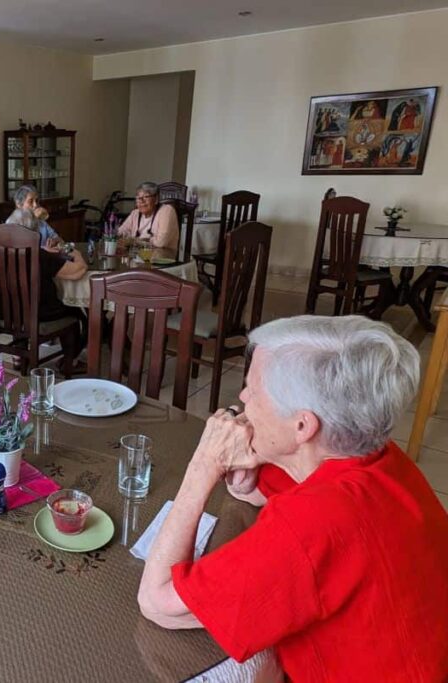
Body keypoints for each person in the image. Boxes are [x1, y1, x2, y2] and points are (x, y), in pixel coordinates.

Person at [137, 315, 448, 682]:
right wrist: (247, 475)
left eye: (253, 389)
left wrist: (205, 464)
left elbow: (158, 602)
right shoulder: (379, 458)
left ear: (302, 426)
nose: (243, 398)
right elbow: (265, 491)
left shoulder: (312, 524)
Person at [117, 181, 179, 251]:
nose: (141, 201)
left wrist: (135, 241)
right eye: (138, 198)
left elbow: (161, 242)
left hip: (161, 258)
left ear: (156, 199)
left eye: (146, 197)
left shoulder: (166, 210)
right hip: (137, 256)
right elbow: (121, 232)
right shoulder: (135, 213)